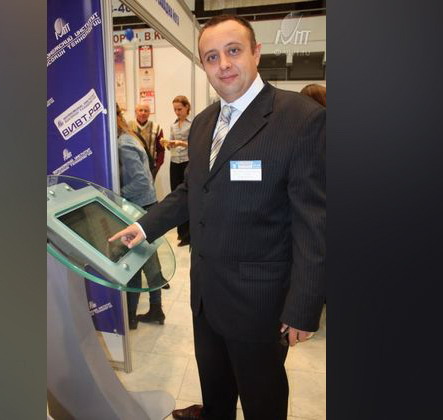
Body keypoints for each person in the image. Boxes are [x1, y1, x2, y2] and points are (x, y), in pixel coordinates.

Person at [109, 15, 325, 420]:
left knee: (262, 401)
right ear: (203, 65)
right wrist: (143, 226)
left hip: (259, 302)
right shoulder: (205, 123)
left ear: (256, 53)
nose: (223, 64)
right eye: (211, 57)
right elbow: (192, 190)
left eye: (233, 51)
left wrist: (304, 306)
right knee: (216, 395)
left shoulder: (300, 119)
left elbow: (315, 224)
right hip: (206, 296)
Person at [115, 104, 167, 329]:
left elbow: (140, 182)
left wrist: (114, 195)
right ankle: (154, 310)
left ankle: (131, 316)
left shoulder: (123, 143)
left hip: (138, 207)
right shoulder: (130, 136)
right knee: (147, 259)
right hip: (145, 205)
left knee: (135, 262)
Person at [162, 95, 192, 247]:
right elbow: (170, 145)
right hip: (174, 162)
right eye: (175, 110)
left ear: (187, 108)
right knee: (176, 195)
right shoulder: (173, 126)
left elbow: (195, 144)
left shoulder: (192, 124)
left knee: (188, 196)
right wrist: (167, 144)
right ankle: (181, 233)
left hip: (187, 162)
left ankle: (189, 235)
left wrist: (181, 143)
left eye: (180, 109)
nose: (177, 112)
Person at [128, 103, 165, 179]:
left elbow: (161, 149)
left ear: (149, 113)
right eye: (140, 110)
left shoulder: (156, 128)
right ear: (136, 112)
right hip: (132, 166)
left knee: (149, 186)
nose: (143, 113)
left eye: (146, 111)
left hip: (150, 167)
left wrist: (157, 166)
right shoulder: (128, 126)